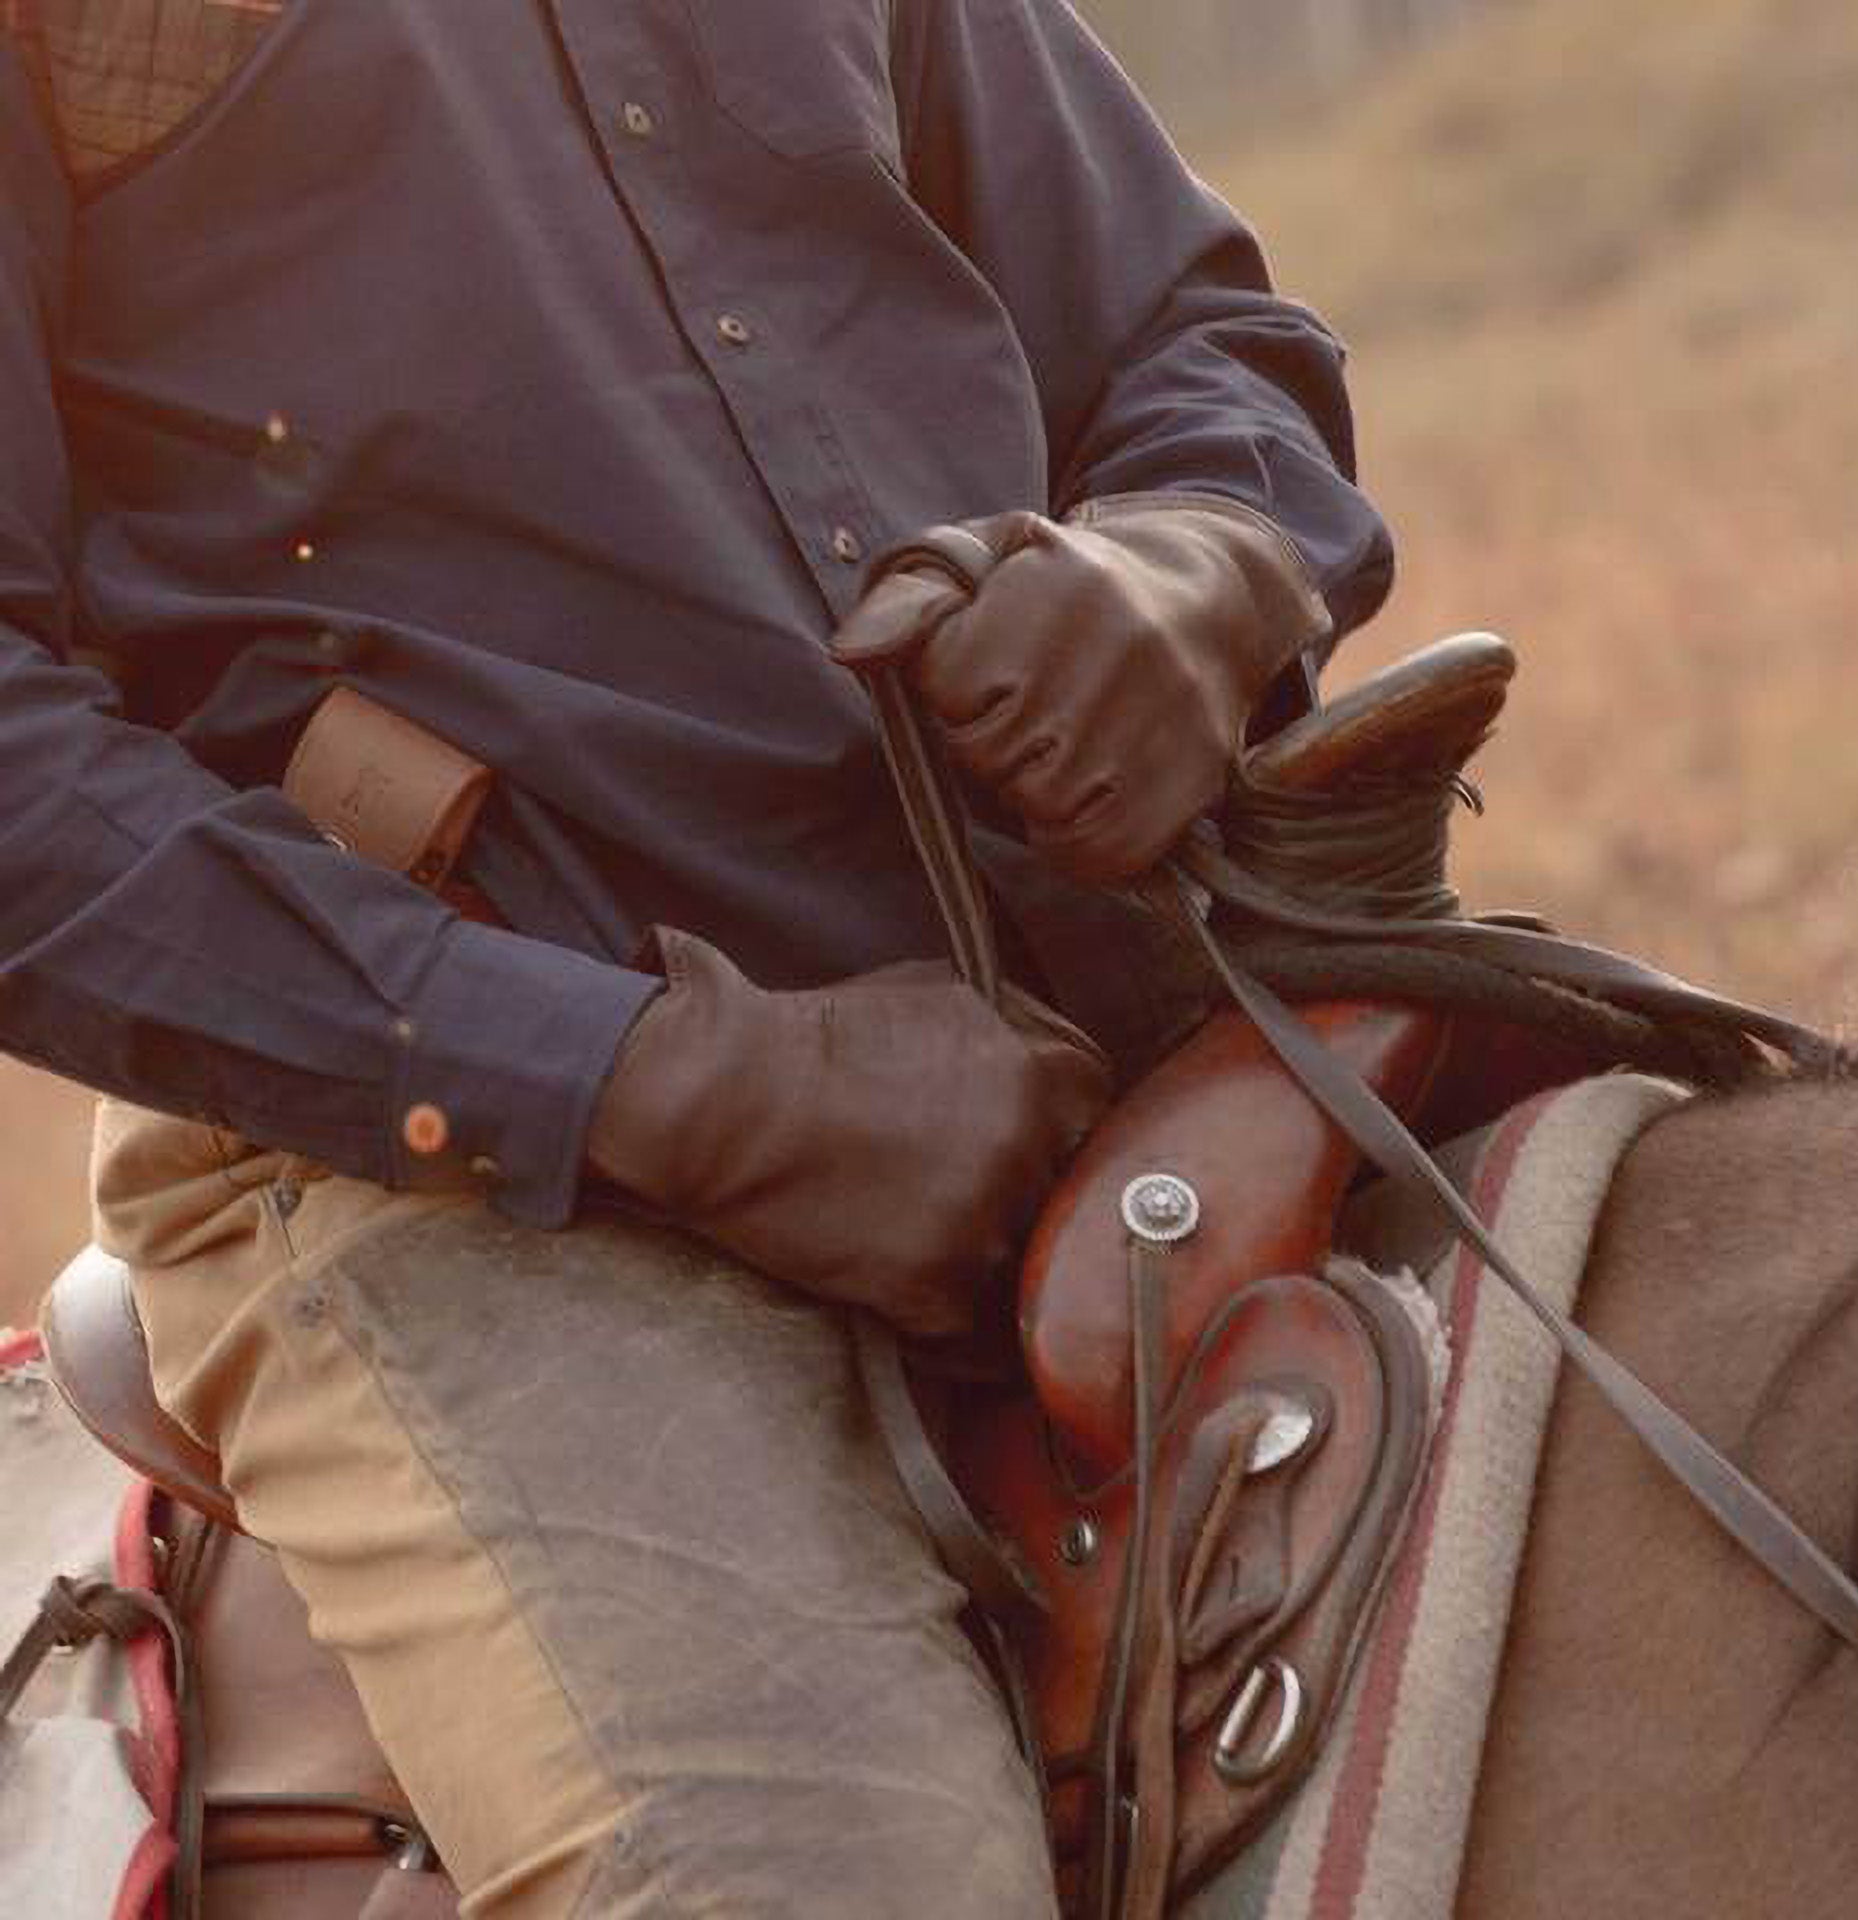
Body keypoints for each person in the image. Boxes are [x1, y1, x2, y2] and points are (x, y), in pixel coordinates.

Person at [1, 4, 1391, 1913]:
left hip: (1152, 994)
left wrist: (1202, 556)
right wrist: (662, 1083)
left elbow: (1185, 321)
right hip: (448, 1170)